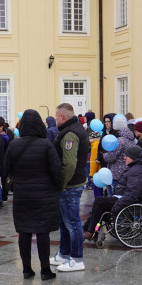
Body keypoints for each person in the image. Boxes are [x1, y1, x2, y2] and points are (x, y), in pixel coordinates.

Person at [5, 109, 62, 279]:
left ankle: (27, 269)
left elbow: (6, 168)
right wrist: (58, 186)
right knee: (43, 231)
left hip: (22, 194)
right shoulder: (46, 144)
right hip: (44, 194)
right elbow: (56, 169)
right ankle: (45, 270)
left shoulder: (14, 144)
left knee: (24, 231)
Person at [50, 102, 90, 272]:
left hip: (70, 185)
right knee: (64, 221)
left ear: (62, 117)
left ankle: (76, 258)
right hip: (71, 183)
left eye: (56, 116)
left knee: (72, 222)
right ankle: (64, 253)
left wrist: (62, 184)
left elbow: (70, 163)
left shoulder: (70, 133)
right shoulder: (73, 128)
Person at [84, 144, 142, 240]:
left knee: (100, 202)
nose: (124, 158)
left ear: (133, 157)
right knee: (99, 205)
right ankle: (88, 230)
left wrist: (117, 206)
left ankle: (90, 231)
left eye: (127, 156)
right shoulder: (136, 167)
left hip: (130, 201)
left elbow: (132, 193)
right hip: (124, 198)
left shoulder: (137, 170)